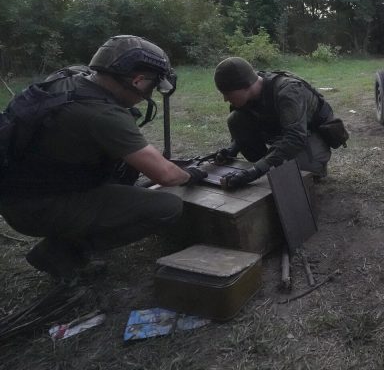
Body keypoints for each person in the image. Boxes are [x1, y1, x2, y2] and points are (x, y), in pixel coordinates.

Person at [0, 35, 207, 284]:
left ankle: (73, 229)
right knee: (166, 208)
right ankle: (60, 253)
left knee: (126, 167)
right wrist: (190, 174)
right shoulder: (103, 114)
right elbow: (166, 175)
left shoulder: (68, 80)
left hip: (20, 193)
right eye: (152, 86)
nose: (148, 94)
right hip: (37, 207)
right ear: (138, 81)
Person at [212, 57, 335, 189]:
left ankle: (271, 163)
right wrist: (231, 150)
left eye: (228, 93)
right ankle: (268, 162)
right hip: (281, 130)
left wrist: (255, 171)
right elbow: (245, 128)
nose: (225, 99)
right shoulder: (247, 95)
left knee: (303, 175)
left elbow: (295, 138)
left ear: (246, 85)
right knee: (236, 118)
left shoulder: (287, 91)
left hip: (309, 132)